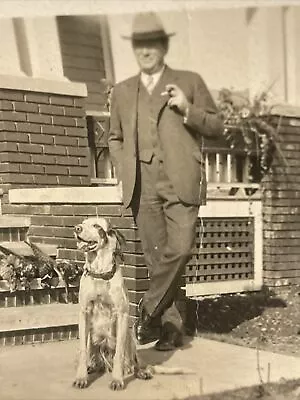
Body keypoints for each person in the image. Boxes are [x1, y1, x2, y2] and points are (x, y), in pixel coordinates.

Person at [108, 11, 224, 351]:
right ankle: (171, 328)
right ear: (135, 49)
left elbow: (217, 126)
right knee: (157, 256)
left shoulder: (189, 81)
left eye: (152, 44)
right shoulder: (123, 91)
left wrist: (189, 109)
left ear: (163, 46)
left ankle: (148, 309)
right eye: (140, 45)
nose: (146, 51)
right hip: (141, 183)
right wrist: (124, 166)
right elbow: (114, 137)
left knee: (182, 247)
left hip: (180, 178)